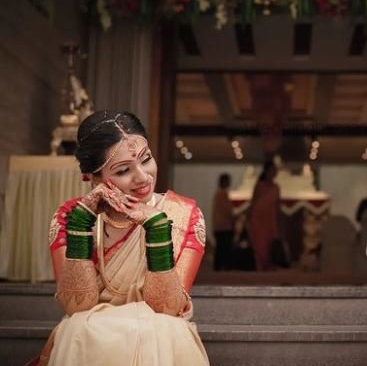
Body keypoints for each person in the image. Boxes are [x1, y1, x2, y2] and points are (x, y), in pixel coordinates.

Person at [36, 111, 209, 365]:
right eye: (124, 170)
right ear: (93, 177)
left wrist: (157, 227)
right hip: (90, 337)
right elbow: (76, 306)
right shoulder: (72, 216)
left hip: (159, 337)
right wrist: (82, 223)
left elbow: (167, 308)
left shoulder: (182, 214)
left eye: (145, 159)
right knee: (77, 327)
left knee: (166, 328)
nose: (143, 176)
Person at [248, 161, 281, 271]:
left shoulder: (276, 187)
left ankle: (269, 265)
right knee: (260, 243)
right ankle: (260, 266)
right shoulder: (259, 185)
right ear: (267, 171)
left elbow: (277, 205)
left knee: (270, 242)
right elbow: (253, 202)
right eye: (272, 170)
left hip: (270, 219)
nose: (274, 172)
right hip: (258, 219)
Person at [212, 173, 234, 271]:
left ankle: (218, 267)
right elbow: (227, 211)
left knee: (220, 248)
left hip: (219, 225)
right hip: (224, 226)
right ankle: (223, 267)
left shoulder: (218, 194)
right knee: (224, 248)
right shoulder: (223, 194)